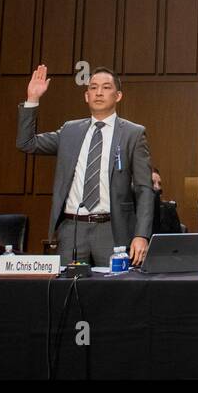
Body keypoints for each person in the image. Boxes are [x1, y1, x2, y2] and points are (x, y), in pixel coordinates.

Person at [17, 64, 153, 267]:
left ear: (118, 96)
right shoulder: (70, 131)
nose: (99, 92)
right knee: (67, 294)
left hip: (112, 230)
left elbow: (144, 189)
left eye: (106, 87)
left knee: (113, 293)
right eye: (93, 87)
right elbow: (26, 143)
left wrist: (141, 234)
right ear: (86, 96)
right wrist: (33, 98)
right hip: (72, 229)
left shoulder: (132, 133)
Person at [150, 167, 183, 235]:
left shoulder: (169, 209)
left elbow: (179, 240)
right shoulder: (133, 211)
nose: (158, 187)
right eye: (152, 182)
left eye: (159, 183)